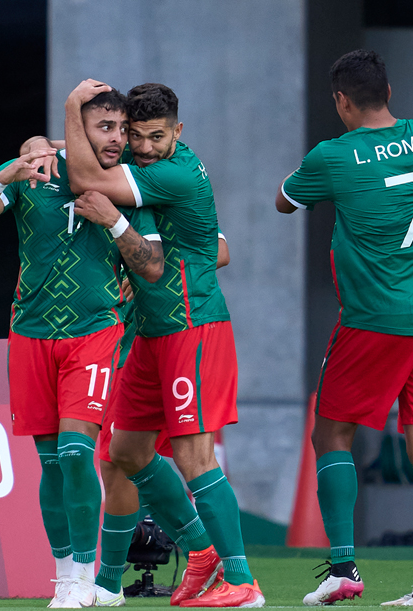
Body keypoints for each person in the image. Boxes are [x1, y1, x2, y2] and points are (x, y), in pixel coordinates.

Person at [0, 88, 164, 609]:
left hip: (94, 332)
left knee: (75, 452)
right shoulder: (33, 170)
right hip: (30, 334)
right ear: (77, 131)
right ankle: (64, 575)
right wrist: (6, 174)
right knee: (49, 462)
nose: (117, 139)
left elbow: (152, 265)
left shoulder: (129, 184)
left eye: (121, 128)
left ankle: (85, 579)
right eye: (105, 128)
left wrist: (114, 222)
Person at [63, 80, 263, 608]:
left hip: (190, 326)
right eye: (136, 136)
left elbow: (87, 178)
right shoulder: (142, 158)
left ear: (179, 130)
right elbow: (217, 246)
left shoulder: (174, 174)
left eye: (156, 136)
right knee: (124, 452)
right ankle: (200, 550)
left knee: (196, 455)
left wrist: (117, 224)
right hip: (151, 332)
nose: (144, 147)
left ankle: (243, 582)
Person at [276, 49, 413, 607]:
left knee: (331, 434)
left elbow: (285, 201)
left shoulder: (333, 156)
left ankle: (342, 568)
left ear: (341, 99)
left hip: (371, 319)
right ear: (388, 89)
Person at [93, 235, 229, 608]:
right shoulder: (82, 205)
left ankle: (217, 560)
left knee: (147, 454)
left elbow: (217, 249)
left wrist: (146, 269)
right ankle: (201, 553)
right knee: (117, 457)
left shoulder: (158, 189)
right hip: (105, 335)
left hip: (161, 339)